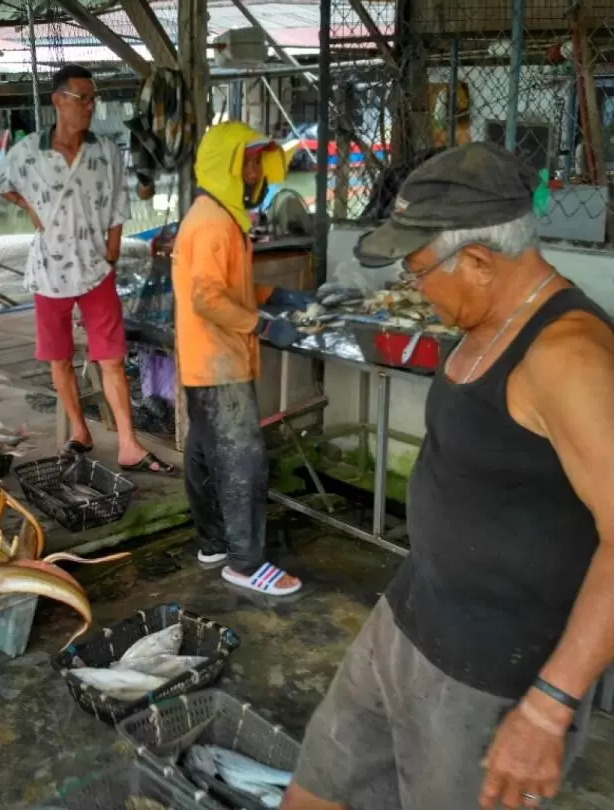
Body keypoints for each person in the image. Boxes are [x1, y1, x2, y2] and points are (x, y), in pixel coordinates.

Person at [282, 141, 614, 810]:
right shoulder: (483, 322)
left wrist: (550, 706)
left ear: (482, 262)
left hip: (488, 675)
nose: (411, 286)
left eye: (417, 269)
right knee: (317, 790)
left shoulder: (568, 358)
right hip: (408, 620)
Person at [0, 64, 172, 474]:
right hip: (50, 270)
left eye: (93, 99)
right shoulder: (30, 150)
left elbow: (120, 204)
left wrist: (112, 251)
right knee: (59, 359)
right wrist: (29, 205)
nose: (89, 107)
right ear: (58, 101)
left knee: (111, 358)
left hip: (95, 268)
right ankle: (79, 430)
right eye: (81, 99)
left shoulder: (104, 150)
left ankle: (128, 443)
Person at [171, 120, 310, 597]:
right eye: (247, 160)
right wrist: (265, 325)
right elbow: (208, 299)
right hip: (218, 360)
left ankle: (213, 543)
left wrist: (278, 296)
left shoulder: (219, 214)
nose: (254, 170)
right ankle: (246, 563)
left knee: (206, 453)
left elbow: (230, 287)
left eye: (258, 159)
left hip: (204, 357)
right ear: (225, 164)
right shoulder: (212, 223)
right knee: (242, 460)